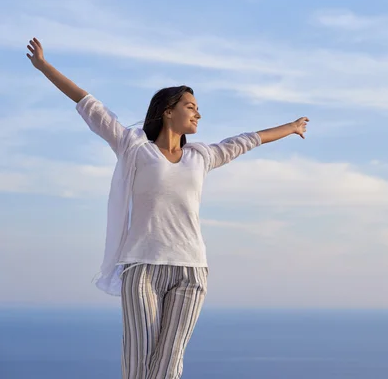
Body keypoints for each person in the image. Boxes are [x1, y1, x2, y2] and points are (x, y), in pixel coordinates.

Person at [26, 37, 308, 379]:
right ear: (167, 110)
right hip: (142, 267)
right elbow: (89, 103)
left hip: (191, 269)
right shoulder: (133, 147)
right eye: (190, 106)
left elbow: (247, 139)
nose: (198, 113)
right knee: (138, 361)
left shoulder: (201, 156)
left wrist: (292, 128)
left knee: (168, 365)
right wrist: (44, 67)